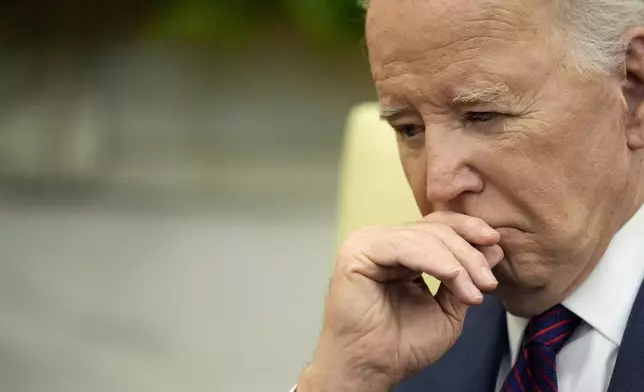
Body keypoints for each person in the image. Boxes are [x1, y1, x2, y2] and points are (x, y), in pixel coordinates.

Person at [292, 0, 644, 391]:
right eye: (409, 129)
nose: (437, 186)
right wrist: (341, 381)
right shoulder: (398, 352)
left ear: (633, 91)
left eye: (482, 116)